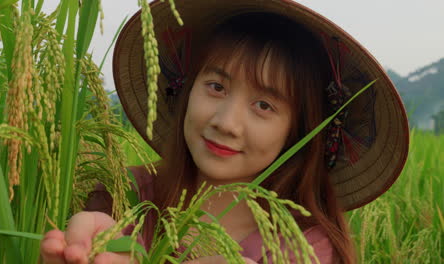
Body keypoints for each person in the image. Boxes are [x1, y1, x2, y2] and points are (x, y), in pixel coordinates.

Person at [40, 0, 409, 263]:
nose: (225, 122)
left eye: (264, 106)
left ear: (299, 133)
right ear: (186, 89)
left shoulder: (305, 248)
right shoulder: (121, 197)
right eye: (216, 86)